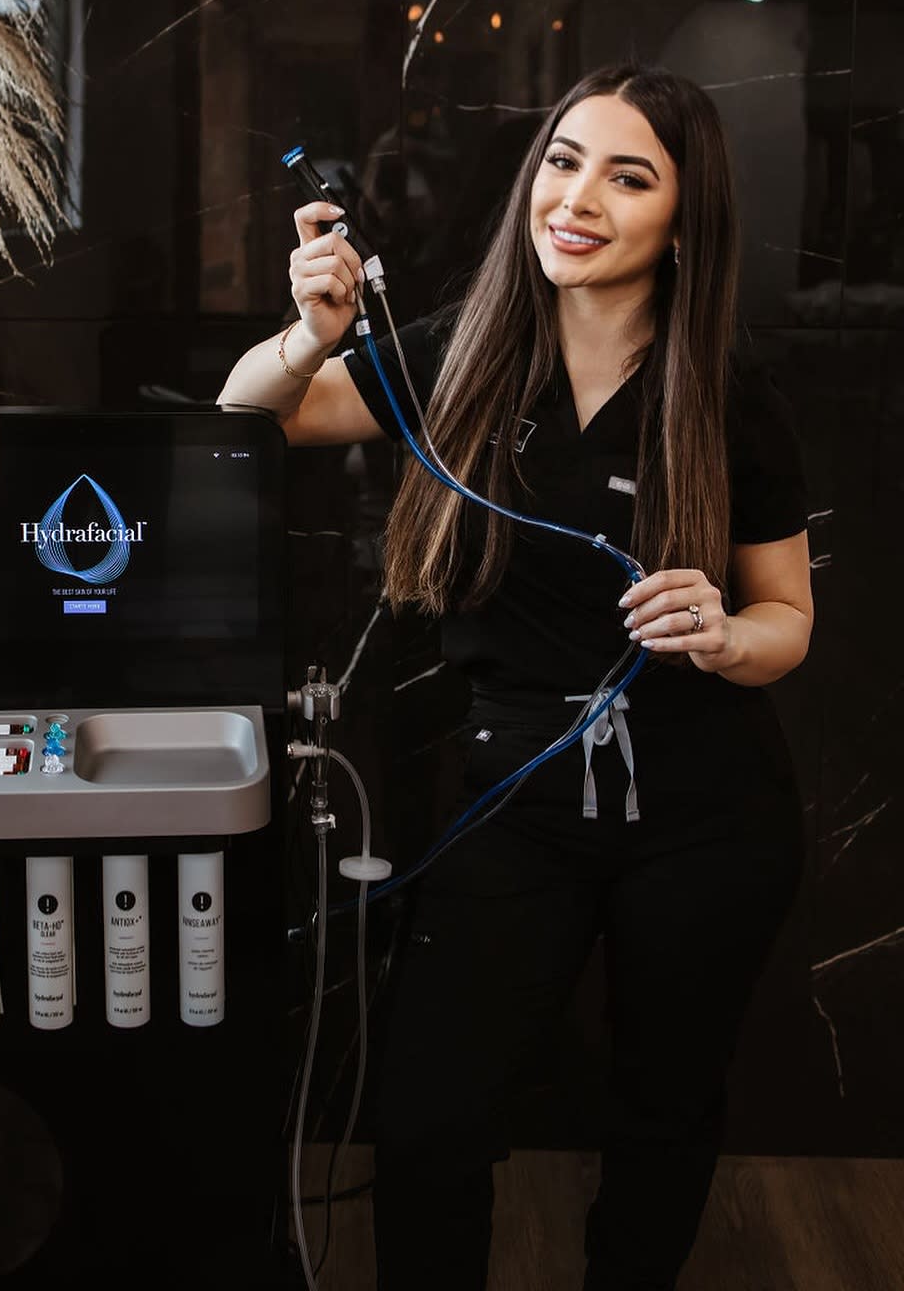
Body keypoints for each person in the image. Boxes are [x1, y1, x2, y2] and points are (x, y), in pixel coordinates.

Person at [218, 63, 813, 1289]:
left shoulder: (725, 393)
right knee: (430, 1120)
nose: (576, 198)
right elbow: (246, 419)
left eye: (627, 177)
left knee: (660, 1114)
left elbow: (786, 619)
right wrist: (310, 336)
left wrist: (720, 632)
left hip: (704, 805)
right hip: (512, 798)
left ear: (682, 220)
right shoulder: (463, 350)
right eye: (561, 161)